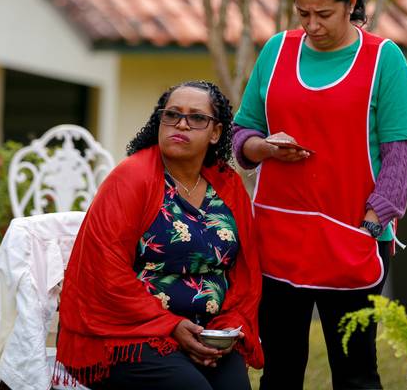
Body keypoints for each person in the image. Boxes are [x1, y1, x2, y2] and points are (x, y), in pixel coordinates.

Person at [233, 0, 407, 389]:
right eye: (303, 14)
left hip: (352, 237)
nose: (312, 25)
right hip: (280, 236)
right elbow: (243, 132)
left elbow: (401, 159)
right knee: (279, 371)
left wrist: (372, 225)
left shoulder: (383, 60)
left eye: (324, 14)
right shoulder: (276, 51)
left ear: (350, 3)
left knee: (355, 374)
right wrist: (264, 148)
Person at [55, 80, 264, 390]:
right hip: (131, 331)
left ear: (216, 132)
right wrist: (171, 325)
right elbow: (105, 271)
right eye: (172, 115)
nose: (181, 124)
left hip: (209, 333)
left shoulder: (227, 183)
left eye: (197, 118)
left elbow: (244, 272)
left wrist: (227, 327)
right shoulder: (131, 177)